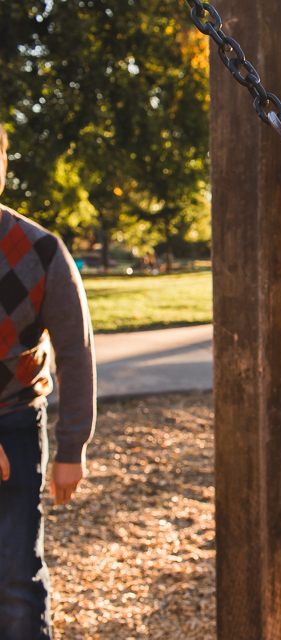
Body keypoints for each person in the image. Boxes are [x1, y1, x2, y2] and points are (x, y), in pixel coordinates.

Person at [0, 122, 96, 639]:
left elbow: (76, 354)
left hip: (15, 421)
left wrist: (71, 449)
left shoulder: (41, 251)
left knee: (15, 573)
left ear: (3, 166)